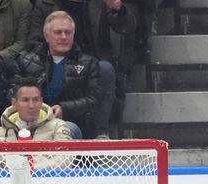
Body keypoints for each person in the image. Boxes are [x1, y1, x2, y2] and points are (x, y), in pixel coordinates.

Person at [30, 0, 142, 138]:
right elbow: (34, 41)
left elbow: (127, 28)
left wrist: (117, 9)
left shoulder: (101, 3)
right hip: (54, 60)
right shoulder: (45, 3)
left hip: (92, 63)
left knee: (105, 69)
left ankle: (101, 132)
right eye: (59, 32)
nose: (63, 35)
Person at [10, 11, 102, 139]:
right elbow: (12, 94)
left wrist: (64, 109)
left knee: (67, 129)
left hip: (70, 121)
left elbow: (94, 100)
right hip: (31, 120)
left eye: (68, 32)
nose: (64, 37)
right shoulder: (25, 60)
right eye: (58, 32)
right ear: (46, 36)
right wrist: (39, 110)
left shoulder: (88, 63)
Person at [0, 77, 72, 141]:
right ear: (14, 103)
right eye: (25, 100)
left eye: (36, 100)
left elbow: (64, 160)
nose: (31, 105)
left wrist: (35, 164)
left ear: (41, 101)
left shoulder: (58, 127)